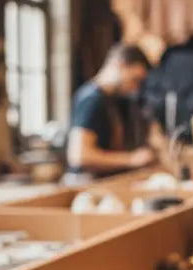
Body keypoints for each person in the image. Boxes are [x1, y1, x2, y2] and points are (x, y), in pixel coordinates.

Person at [65, 44, 156, 176]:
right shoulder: (91, 99)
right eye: (134, 80)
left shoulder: (113, 100)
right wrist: (131, 159)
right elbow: (80, 156)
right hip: (85, 183)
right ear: (119, 65)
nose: (135, 88)